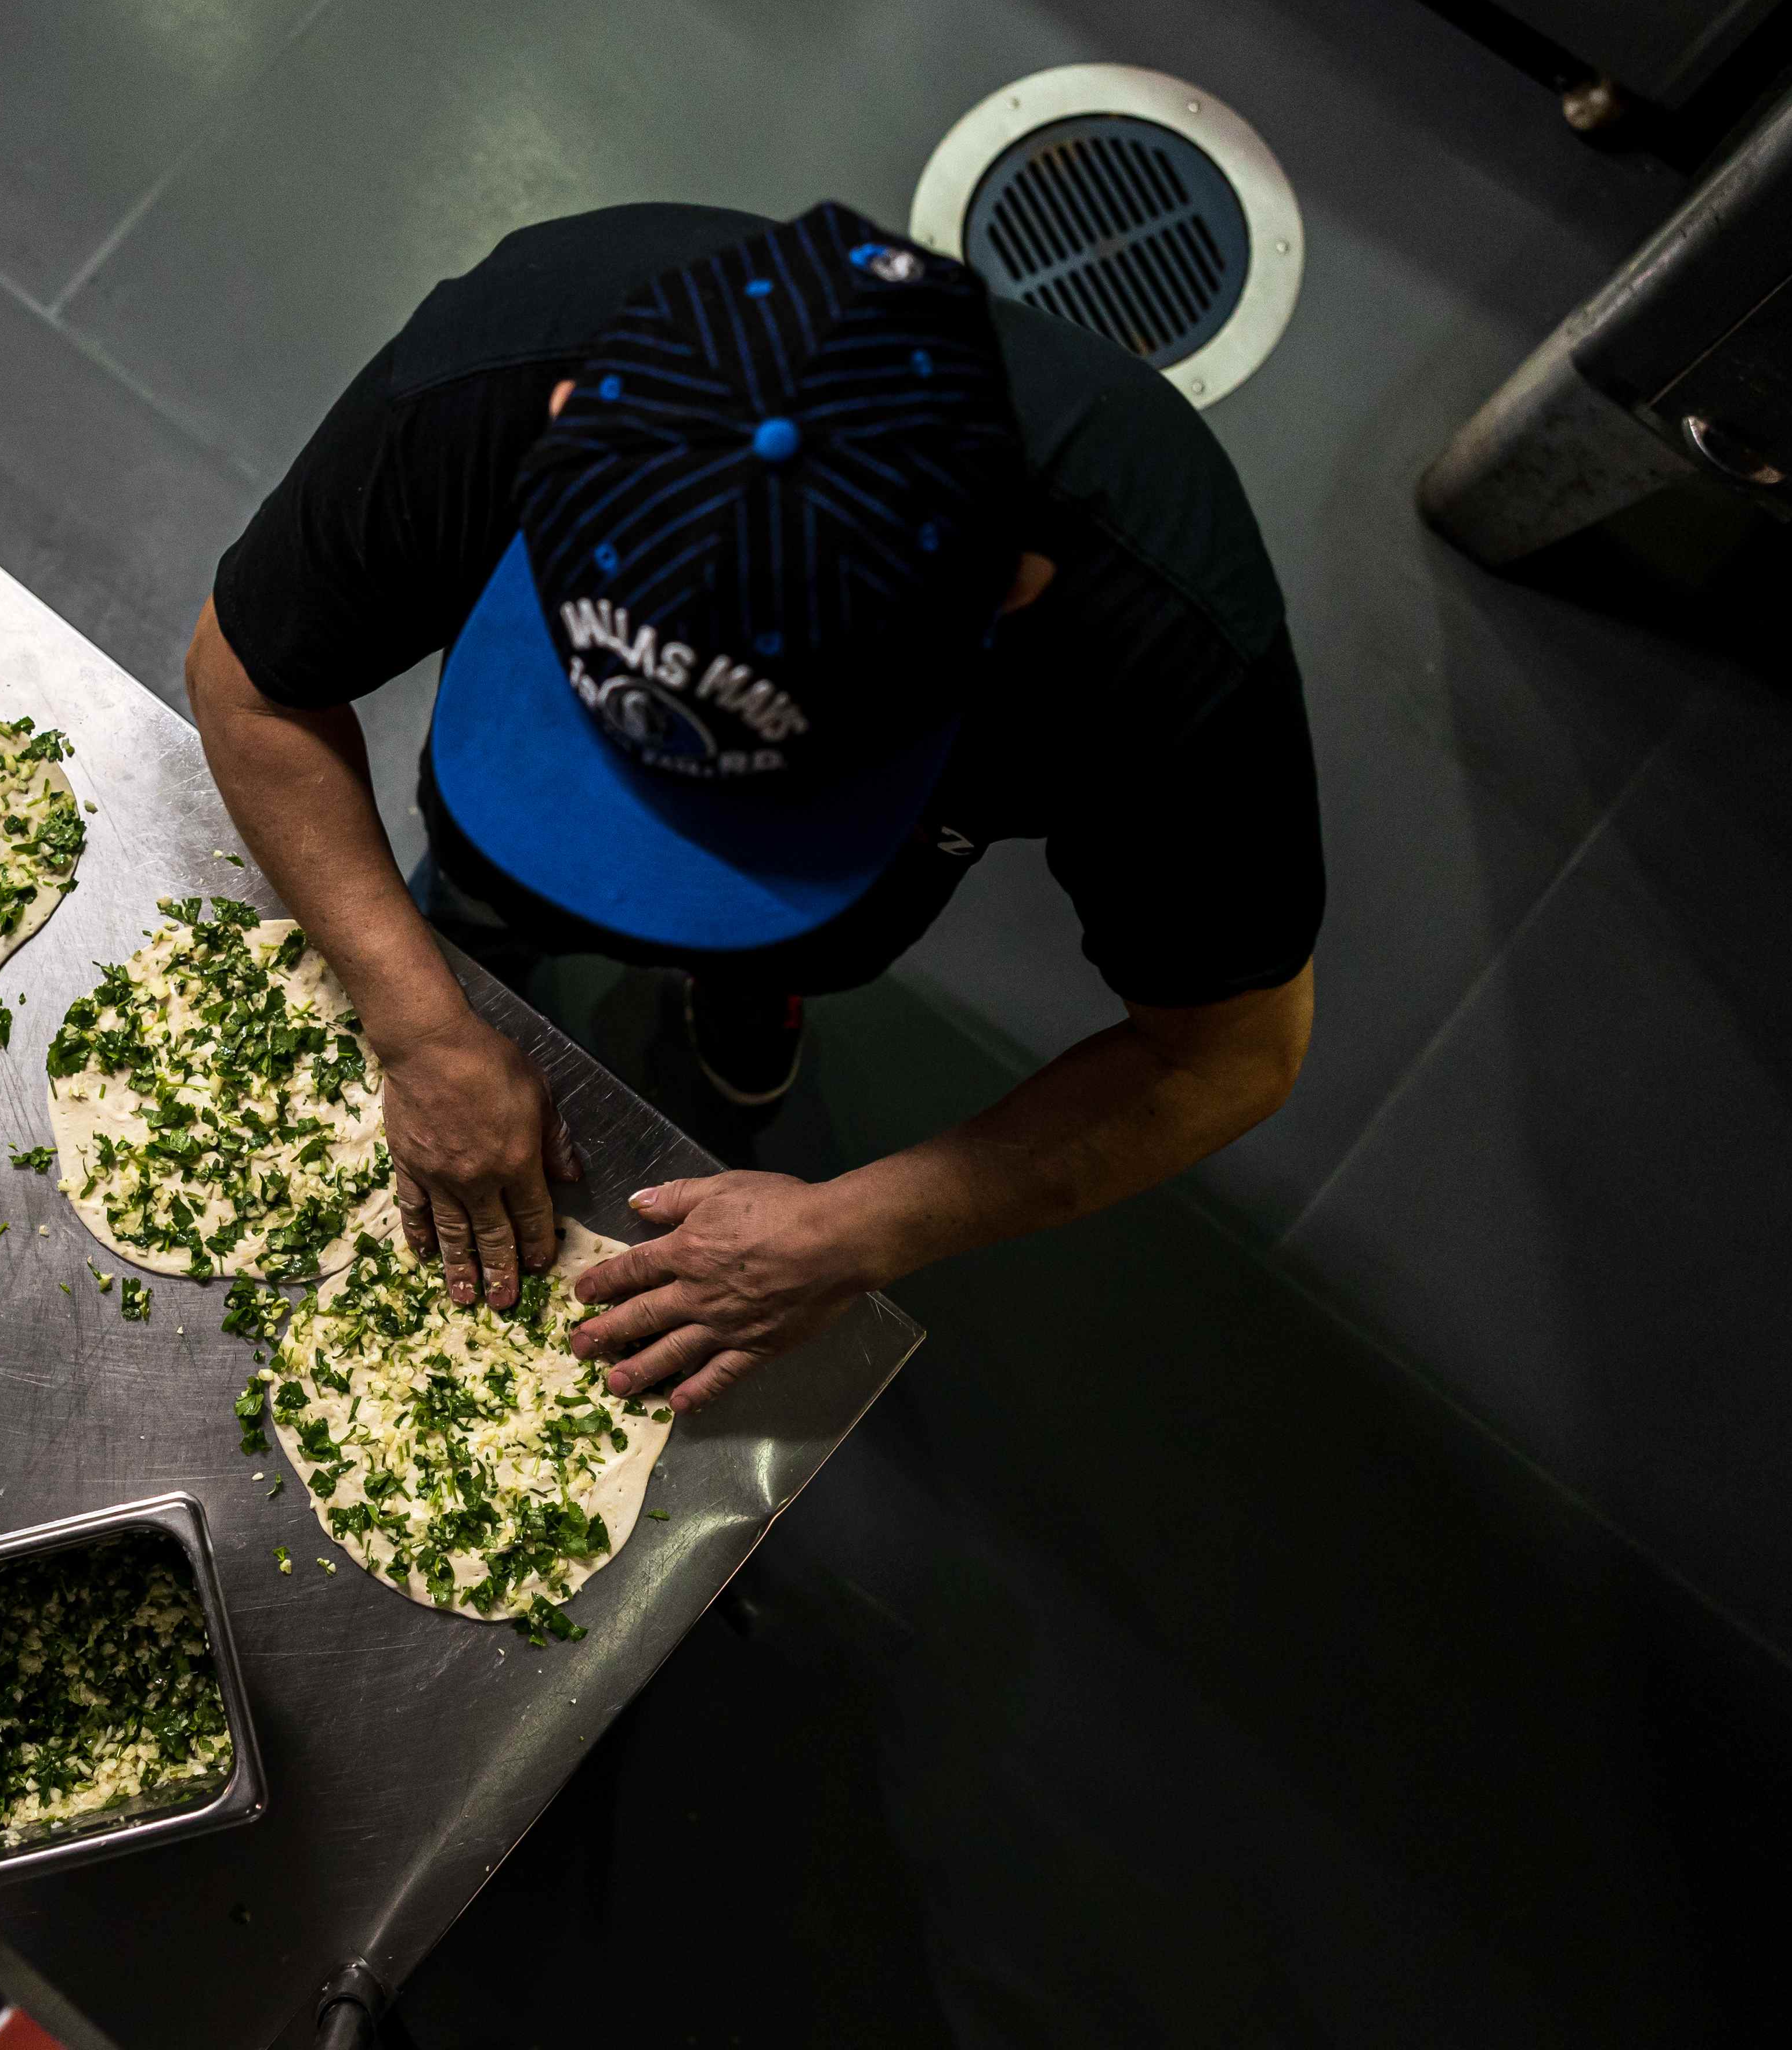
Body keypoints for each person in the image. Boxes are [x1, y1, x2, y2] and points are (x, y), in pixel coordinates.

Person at [186, 200, 1321, 1412]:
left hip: (834, 904)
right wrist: (418, 1017)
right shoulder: (508, 361)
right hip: (511, 827)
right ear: (565, 428)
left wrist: (857, 1231)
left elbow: (1227, 1057)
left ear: (1011, 591)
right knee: (471, 906)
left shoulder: (1165, 641)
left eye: (758, 807)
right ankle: (489, 924)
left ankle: (752, 983)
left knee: (794, 943)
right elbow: (247, 684)